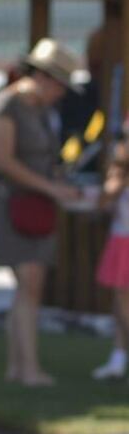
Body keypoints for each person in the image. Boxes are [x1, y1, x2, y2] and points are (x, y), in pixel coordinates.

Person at [0, 38, 81, 387]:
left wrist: (59, 184)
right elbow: (4, 161)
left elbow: (46, 159)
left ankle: (19, 367)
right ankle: (28, 370)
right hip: (13, 206)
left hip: (37, 206)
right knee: (30, 284)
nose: (62, 92)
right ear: (44, 77)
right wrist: (51, 188)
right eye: (60, 84)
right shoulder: (5, 105)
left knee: (29, 287)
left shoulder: (40, 109)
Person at [92, 125, 129, 379]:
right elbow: (102, 203)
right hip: (121, 242)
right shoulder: (118, 174)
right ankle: (118, 359)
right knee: (120, 307)